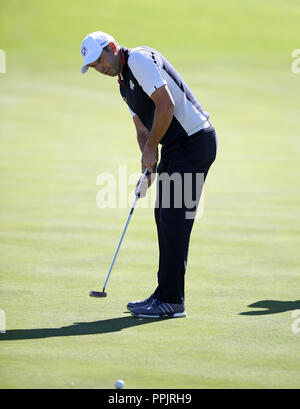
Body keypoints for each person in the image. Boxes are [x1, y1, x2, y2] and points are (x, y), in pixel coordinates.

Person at [80, 31, 217, 318]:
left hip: (194, 142)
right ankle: (164, 293)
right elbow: (142, 130)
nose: (100, 68)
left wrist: (153, 148)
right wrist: (148, 165)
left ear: (112, 47)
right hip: (177, 147)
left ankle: (173, 301)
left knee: (174, 218)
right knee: (164, 216)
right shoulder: (122, 86)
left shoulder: (139, 59)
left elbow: (165, 105)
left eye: (100, 60)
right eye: (94, 66)